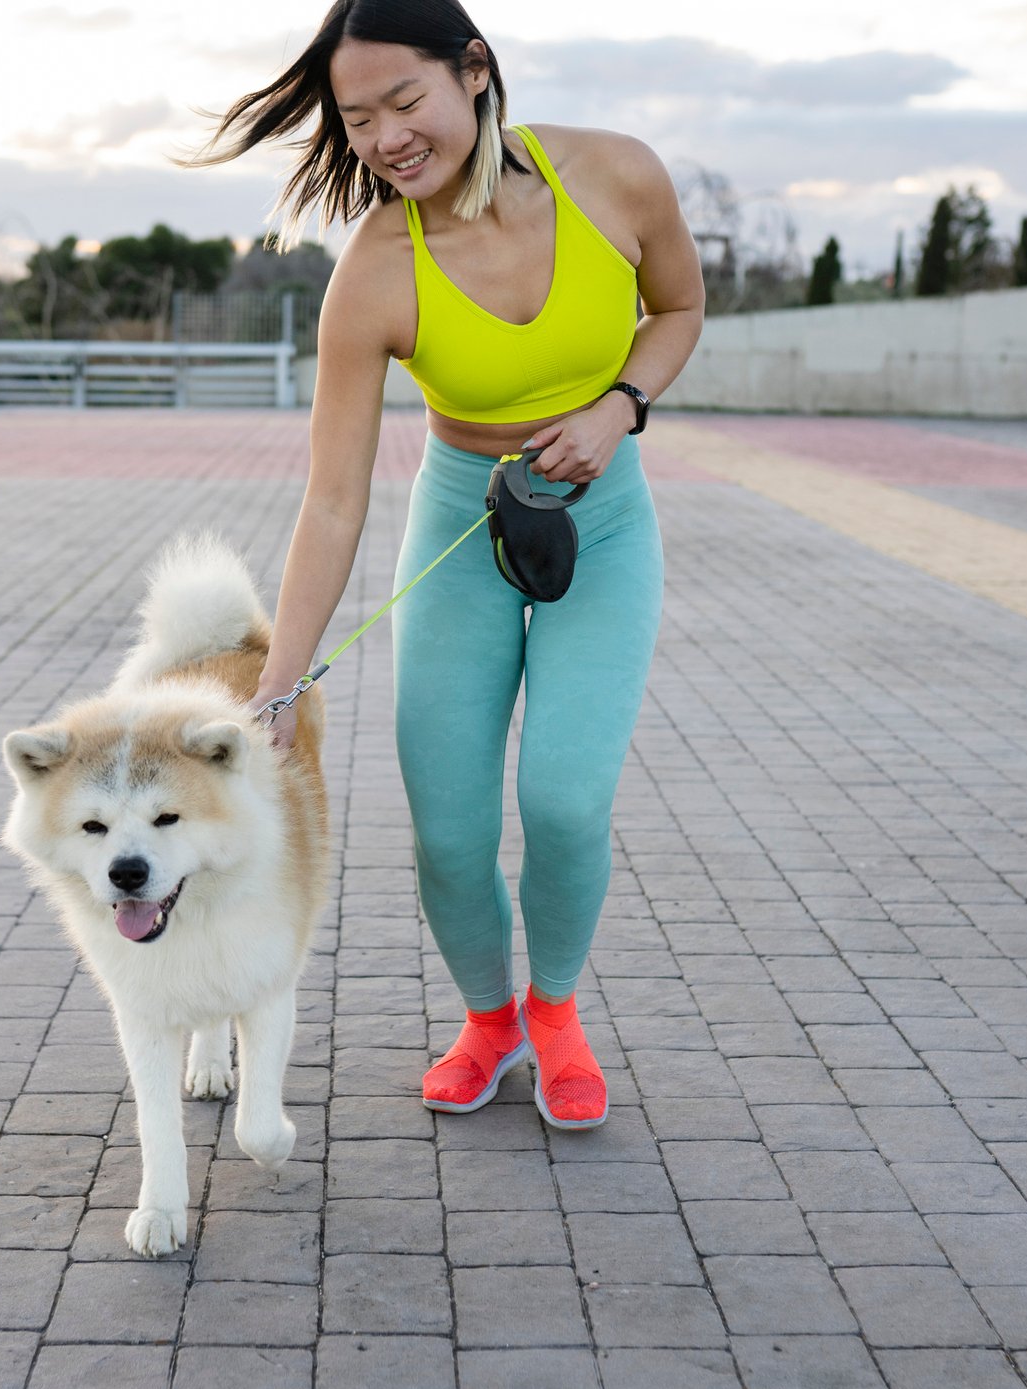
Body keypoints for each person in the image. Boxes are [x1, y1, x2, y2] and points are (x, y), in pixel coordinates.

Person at [193, 0, 703, 1128]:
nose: (382, 140)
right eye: (357, 118)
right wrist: (282, 677)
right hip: (460, 530)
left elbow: (678, 306)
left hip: (601, 522)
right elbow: (331, 501)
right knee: (454, 829)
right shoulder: (375, 271)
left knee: (565, 801)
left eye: (403, 102)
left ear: (473, 69)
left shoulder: (616, 177)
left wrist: (621, 406)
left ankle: (556, 1011)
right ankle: (489, 1020)